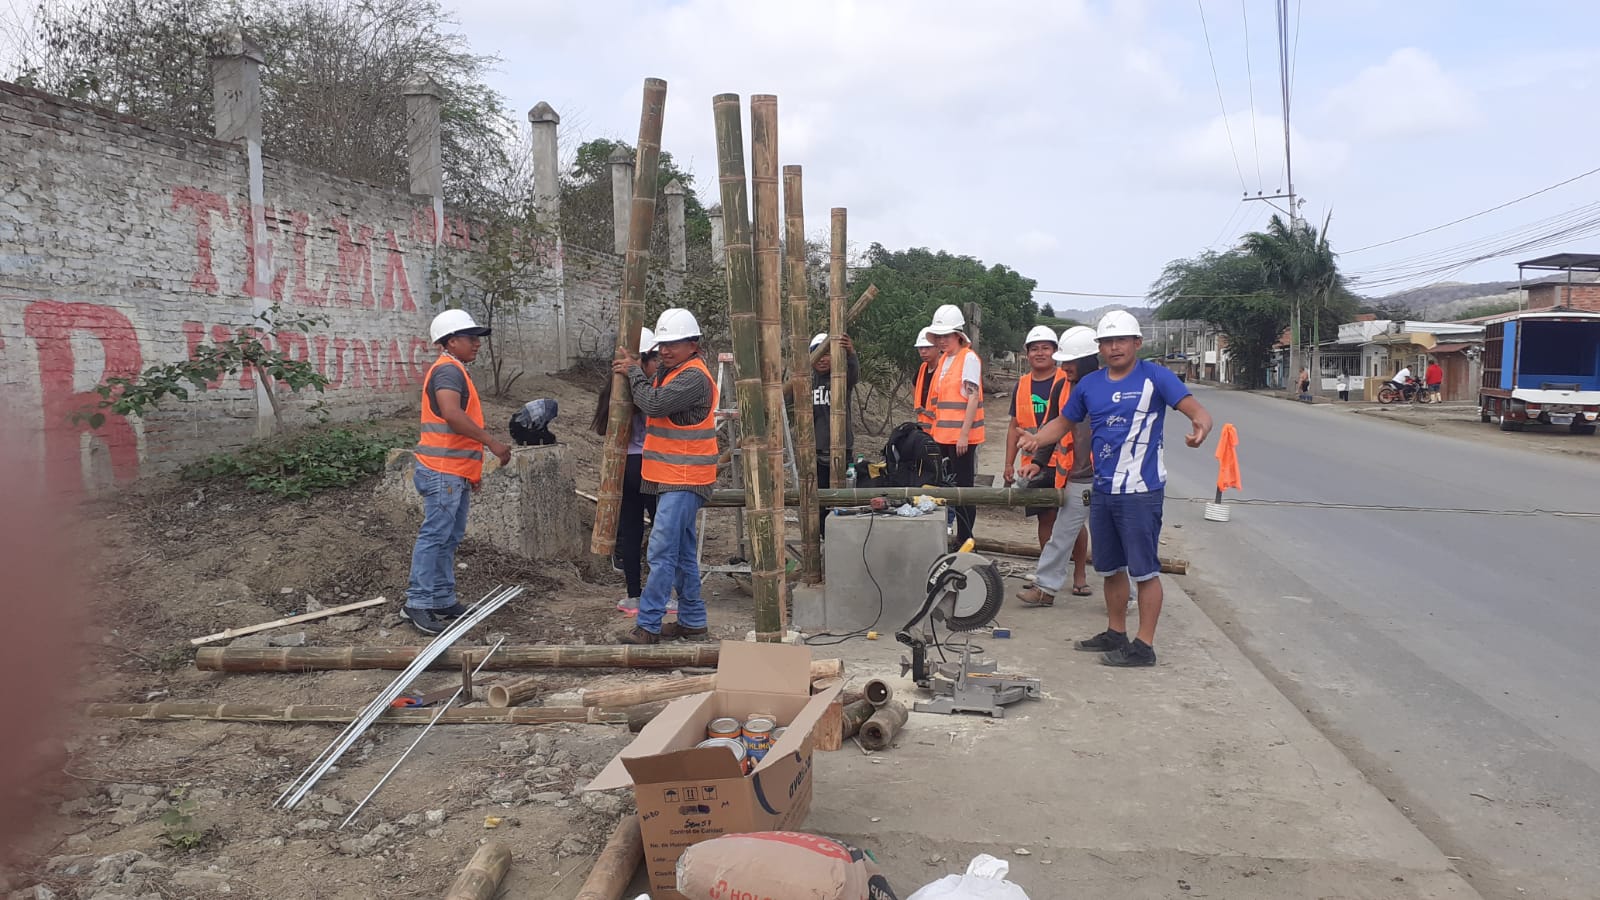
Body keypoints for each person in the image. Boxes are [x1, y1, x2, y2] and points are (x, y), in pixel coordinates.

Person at [1020, 310, 1213, 668]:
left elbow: (1197, 411)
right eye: (1107, 342)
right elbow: (1063, 422)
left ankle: (1144, 646)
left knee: (1144, 570)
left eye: (1121, 340)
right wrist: (1036, 440)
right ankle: (1115, 632)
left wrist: (1201, 427)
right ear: (1099, 348)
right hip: (1103, 489)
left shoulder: (1156, 377)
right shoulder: (1090, 385)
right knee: (1110, 567)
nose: (1114, 347)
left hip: (1141, 491)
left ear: (1137, 343)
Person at [613, 309, 718, 645]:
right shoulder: (671, 373)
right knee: (682, 553)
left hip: (686, 478)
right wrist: (637, 368)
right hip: (672, 478)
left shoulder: (693, 378)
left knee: (660, 551)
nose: (666, 350)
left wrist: (633, 372)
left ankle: (648, 625)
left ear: (693, 344)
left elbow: (654, 405)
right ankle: (693, 621)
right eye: (662, 345)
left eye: (673, 344)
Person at [406, 309, 513, 635]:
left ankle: (441, 599)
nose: (476, 344)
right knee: (435, 536)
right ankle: (417, 602)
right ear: (451, 341)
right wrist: (492, 443)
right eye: (470, 338)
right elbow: (452, 415)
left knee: (448, 537)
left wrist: (470, 472)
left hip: (453, 471)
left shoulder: (455, 370)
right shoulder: (448, 371)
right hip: (442, 471)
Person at [1016, 326, 1098, 606]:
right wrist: (1038, 462)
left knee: (1115, 538)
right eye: (1064, 361)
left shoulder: (1109, 386)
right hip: (1077, 476)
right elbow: (1054, 425)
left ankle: (1128, 595)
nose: (1065, 367)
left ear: (1088, 360)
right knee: (1061, 534)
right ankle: (1045, 589)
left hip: (1109, 477)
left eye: (1071, 361)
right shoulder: (1063, 387)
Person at [591, 328, 662, 616]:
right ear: (641, 360)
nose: (658, 363)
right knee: (661, 529)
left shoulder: (615, 388)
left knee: (631, 530)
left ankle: (634, 594)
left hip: (624, 466)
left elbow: (602, 427)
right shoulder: (647, 388)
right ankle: (662, 593)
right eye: (654, 358)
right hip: (649, 465)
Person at [925, 304, 985, 543]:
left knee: (964, 489)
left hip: (961, 438)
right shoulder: (944, 360)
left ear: (958, 335)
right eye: (939, 336)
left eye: (946, 336)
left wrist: (964, 435)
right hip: (942, 436)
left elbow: (972, 397)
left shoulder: (968, 358)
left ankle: (965, 538)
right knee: (945, 486)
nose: (942, 340)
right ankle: (950, 535)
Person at [1004, 325, 1067, 549]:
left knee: (1071, 519)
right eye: (1034, 349)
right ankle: (1047, 564)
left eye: (1045, 348)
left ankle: (1079, 568)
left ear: (1055, 351)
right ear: (1027, 353)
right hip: (1033, 464)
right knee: (1045, 518)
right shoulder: (1021, 384)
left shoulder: (1067, 380)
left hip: (1064, 462)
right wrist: (1009, 464)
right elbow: (1014, 427)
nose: (1040, 353)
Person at [810, 332, 859, 537]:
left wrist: (851, 353)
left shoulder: (840, 378)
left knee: (841, 498)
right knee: (818, 500)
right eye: (817, 354)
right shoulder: (807, 382)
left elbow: (854, 374)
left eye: (827, 354)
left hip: (841, 450)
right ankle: (822, 535)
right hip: (814, 452)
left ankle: (840, 538)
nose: (822, 359)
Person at [911, 328, 940, 432]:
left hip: (940, 426)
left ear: (938, 348)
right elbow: (914, 385)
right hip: (924, 424)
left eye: (927, 347)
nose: (923, 351)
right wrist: (919, 405)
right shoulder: (923, 368)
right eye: (920, 348)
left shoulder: (945, 369)